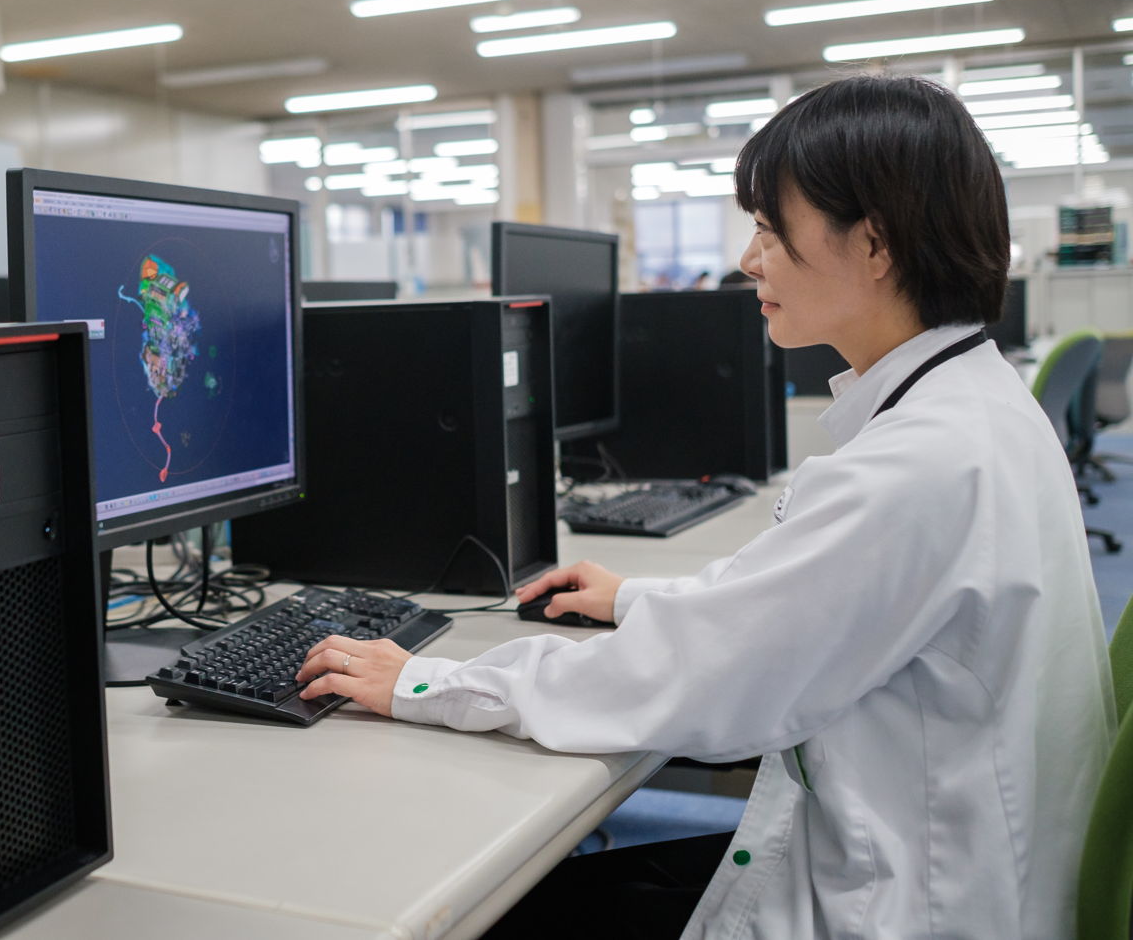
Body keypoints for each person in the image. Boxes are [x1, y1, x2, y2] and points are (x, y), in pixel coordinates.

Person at [295, 74, 1115, 939]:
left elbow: (696, 680)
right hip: (956, 860)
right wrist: (632, 598)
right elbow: (785, 602)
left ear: (873, 245)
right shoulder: (973, 406)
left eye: (770, 228)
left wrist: (428, 680)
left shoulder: (918, 464)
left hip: (914, 902)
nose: (747, 259)